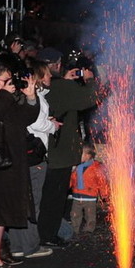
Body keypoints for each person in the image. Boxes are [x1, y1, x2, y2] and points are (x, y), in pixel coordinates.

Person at [0, 60, 39, 268]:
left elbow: (24, 118)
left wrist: (31, 98)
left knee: (1, 216)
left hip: (9, 165)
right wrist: (6, 94)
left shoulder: (3, 99)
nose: (10, 85)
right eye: (5, 80)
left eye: (10, 80)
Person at [36, 47, 99, 247]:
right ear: (56, 65)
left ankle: (46, 233)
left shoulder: (48, 86)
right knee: (54, 197)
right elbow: (91, 98)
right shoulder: (60, 87)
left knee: (48, 195)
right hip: (59, 151)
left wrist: (65, 81)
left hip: (48, 150)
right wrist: (89, 79)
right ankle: (48, 235)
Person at [7, 59, 58, 259]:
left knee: (20, 202)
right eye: (46, 73)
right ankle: (30, 246)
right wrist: (53, 126)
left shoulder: (20, 96)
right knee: (32, 202)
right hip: (33, 157)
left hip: (23, 156)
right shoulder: (31, 97)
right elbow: (36, 123)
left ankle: (18, 245)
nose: (51, 76)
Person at [69, 143, 109, 235]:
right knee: (75, 214)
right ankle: (75, 228)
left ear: (87, 156)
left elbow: (101, 181)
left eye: (80, 153)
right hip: (77, 195)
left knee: (90, 214)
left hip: (90, 196)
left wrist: (104, 193)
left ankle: (89, 228)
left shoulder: (95, 167)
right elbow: (72, 178)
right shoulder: (77, 167)